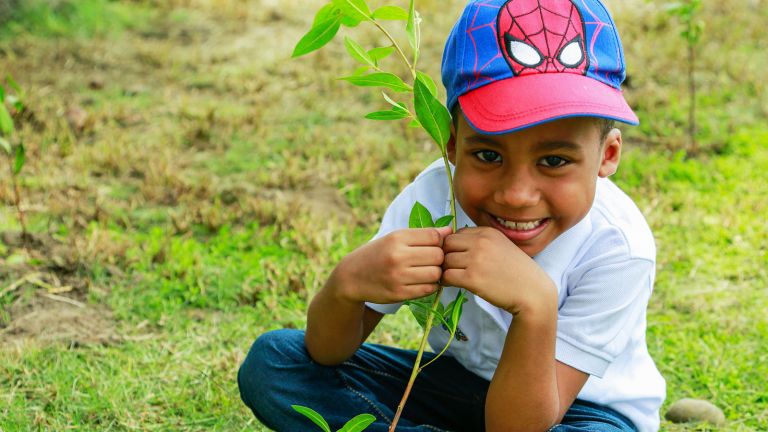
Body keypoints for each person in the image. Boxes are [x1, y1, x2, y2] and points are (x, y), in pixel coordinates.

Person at [238, 0, 666, 430]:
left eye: (554, 161)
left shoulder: (617, 247)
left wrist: (535, 307)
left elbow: (519, 427)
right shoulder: (431, 199)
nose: (516, 195)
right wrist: (346, 285)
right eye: (486, 154)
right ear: (450, 143)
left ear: (606, 155)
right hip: (455, 386)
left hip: (575, 410)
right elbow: (326, 353)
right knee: (276, 362)